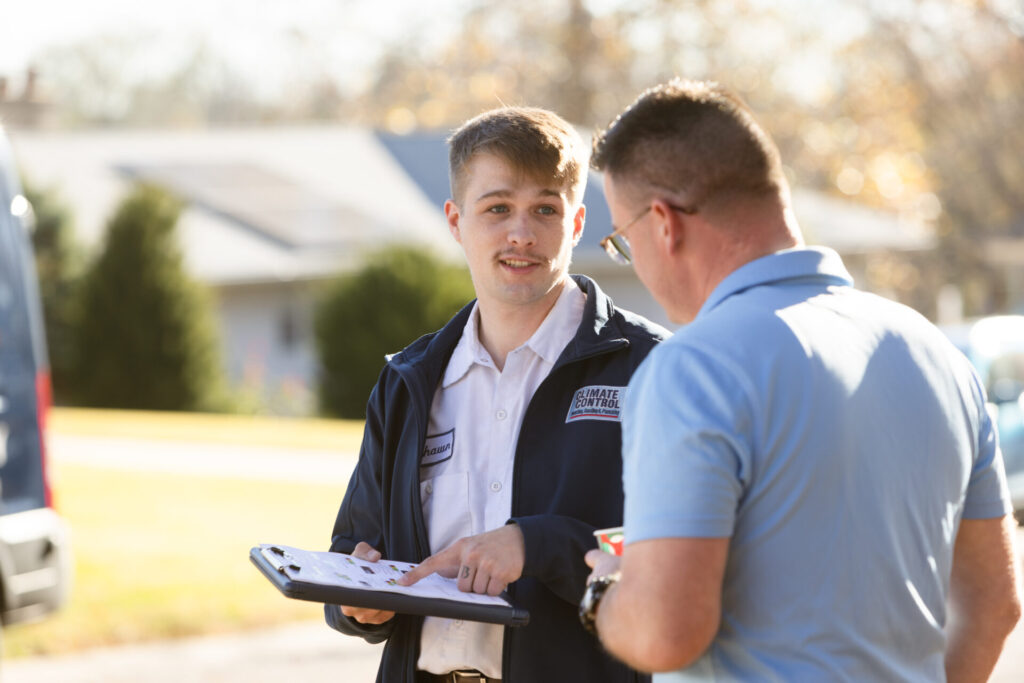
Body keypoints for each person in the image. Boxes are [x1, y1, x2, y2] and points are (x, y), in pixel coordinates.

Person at [579, 79, 1022, 682]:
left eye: (622, 242)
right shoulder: (936, 353)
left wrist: (607, 593)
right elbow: (995, 605)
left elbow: (665, 633)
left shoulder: (694, 368)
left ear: (663, 223)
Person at [324, 106, 667, 683]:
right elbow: (353, 548)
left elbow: (687, 560)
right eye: (498, 208)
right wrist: (356, 604)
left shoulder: (651, 367)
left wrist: (536, 545)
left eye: (545, 209)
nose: (522, 234)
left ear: (577, 223)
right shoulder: (409, 381)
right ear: (456, 220)